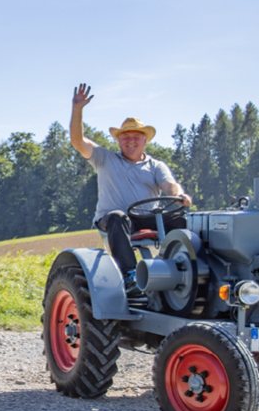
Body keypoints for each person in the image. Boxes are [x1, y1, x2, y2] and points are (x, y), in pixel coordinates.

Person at [68, 84, 190, 283]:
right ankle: (130, 275)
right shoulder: (104, 158)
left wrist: (180, 195)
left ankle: (188, 270)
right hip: (114, 221)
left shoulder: (156, 165)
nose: (130, 141)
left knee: (183, 220)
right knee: (118, 216)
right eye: (126, 137)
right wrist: (77, 109)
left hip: (147, 217)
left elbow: (169, 185)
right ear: (119, 140)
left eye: (136, 137)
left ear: (144, 141)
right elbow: (77, 141)